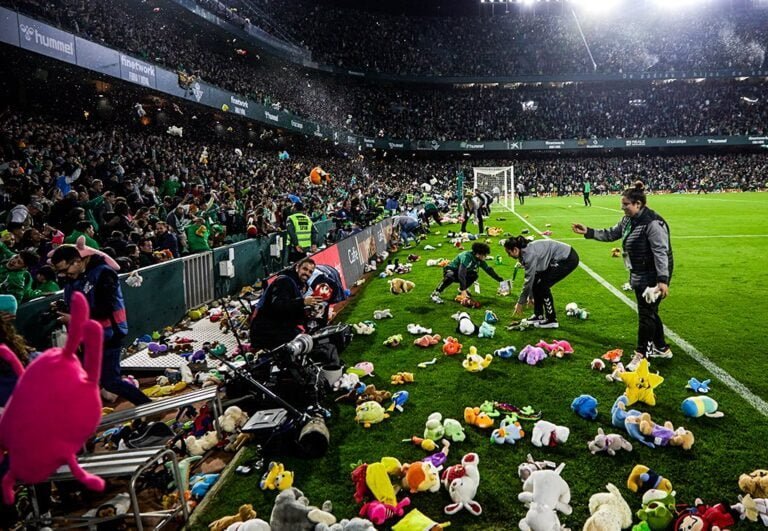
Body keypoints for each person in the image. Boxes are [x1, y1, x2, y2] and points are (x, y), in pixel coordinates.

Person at [572, 181, 673, 370]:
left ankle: (642, 355)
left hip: (653, 274)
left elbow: (661, 252)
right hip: (639, 271)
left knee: (646, 314)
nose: (622, 207)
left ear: (638, 204)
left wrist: (662, 281)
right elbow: (612, 233)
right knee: (649, 311)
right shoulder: (628, 220)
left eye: (626, 204)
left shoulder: (652, 223)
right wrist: (589, 232)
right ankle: (662, 347)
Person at [50, 242, 150, 405]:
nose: (62, 275)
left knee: (111, 381)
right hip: (88, 337)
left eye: (64, 269)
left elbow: (105, 308)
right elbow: (78, 301)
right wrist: (62, 306)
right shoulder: (73, 278)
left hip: (109, 334)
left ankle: (149, 406)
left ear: (77, 261)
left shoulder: (104, 273)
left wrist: (74, 318)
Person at [249, 258, 339, 365]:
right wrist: (303, 302)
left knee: (307, 341)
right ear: (297, 268)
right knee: (303, 344)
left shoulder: (300, 286)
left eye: (310, 271)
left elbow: (291, 312)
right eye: (305, 269)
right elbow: (278, 306)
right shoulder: (284, 281)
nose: (307, 273)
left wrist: (309, 312)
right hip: (266, 330)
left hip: (278, 327)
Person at [504, 236, 579, 329]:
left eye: (509, 252)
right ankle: (538, 316)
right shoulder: (524, 252)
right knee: (538, 284)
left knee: (543, 286)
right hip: (560, 257)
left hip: (568, 259)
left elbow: (528, 281)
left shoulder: (529, 254)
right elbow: (534, 278)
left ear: (515, 249)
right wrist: (531, 296)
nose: (508, 255)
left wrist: (520, 302)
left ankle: (552, 320)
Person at [430, 242, 504, 304]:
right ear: (478, 254)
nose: (486, 256)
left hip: (461, 273)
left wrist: (500, 280)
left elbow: (488, 270)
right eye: (485, 255)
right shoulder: (466, 256)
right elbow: (461, 273)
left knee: (474, 275)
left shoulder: (478, 259)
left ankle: (460, 290)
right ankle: (435, 293)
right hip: (452, 270)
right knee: (450, 276)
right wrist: (464, 289)